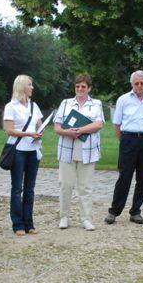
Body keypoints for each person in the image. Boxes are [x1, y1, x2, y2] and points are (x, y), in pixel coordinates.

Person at [105, 70, 143, 225]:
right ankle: (114, 211)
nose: (140, 86)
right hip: (128, 139)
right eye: (137, 83)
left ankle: (136, 211)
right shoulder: (123, 99)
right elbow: (117, 123)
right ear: (132, 84)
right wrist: (123, 140)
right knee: (124, 176)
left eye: (142, 83)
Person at [54, 73, 106, 231]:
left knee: (85, 187)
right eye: (77, 86)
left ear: (89, 88)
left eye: (83, 86)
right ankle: (64, 217)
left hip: (88, 151)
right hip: (67, 150)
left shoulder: (96, 103)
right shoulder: (66, 103)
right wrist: (68, 132)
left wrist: (80, 130)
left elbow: (98, 124)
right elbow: (57, 127)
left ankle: (86, 219)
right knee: (65, 185)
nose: (80, 89)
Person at [3, 74, 44, 235]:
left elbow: (39, 125)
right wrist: (28, 134)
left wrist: (40, 133)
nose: (32, 87)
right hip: (18, 150)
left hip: (33, 151)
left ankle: (29, 223)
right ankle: (18, 224)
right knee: (17, 188)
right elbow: (9, 129)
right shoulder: (11, 106)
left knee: (30, 189)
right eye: (29, 84)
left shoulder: (34, 106)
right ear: (21, 87)